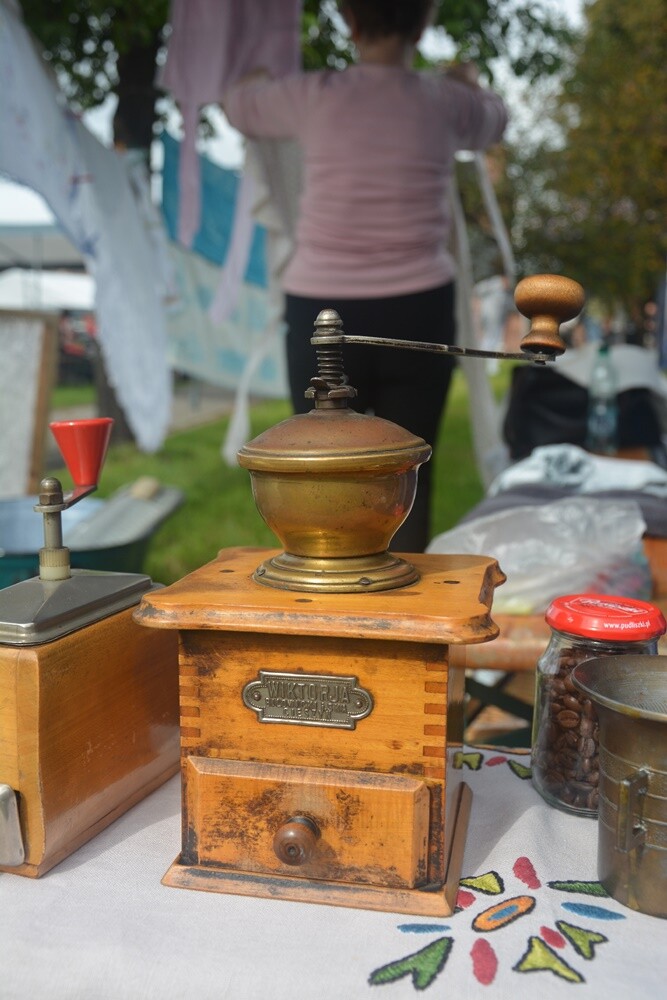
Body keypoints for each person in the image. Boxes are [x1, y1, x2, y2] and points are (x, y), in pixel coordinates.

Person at [223, 0, 508, 551]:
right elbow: (496, 118)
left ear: (347, 20)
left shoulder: (313, 93)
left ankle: (321, 596)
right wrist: (471, 83)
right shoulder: (446, 102)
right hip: (419, 306)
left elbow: (239, 107)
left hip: (319, 308)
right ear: (424, 21)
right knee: (409, 477)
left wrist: (254, 77)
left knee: (318, 473)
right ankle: (407, 621)